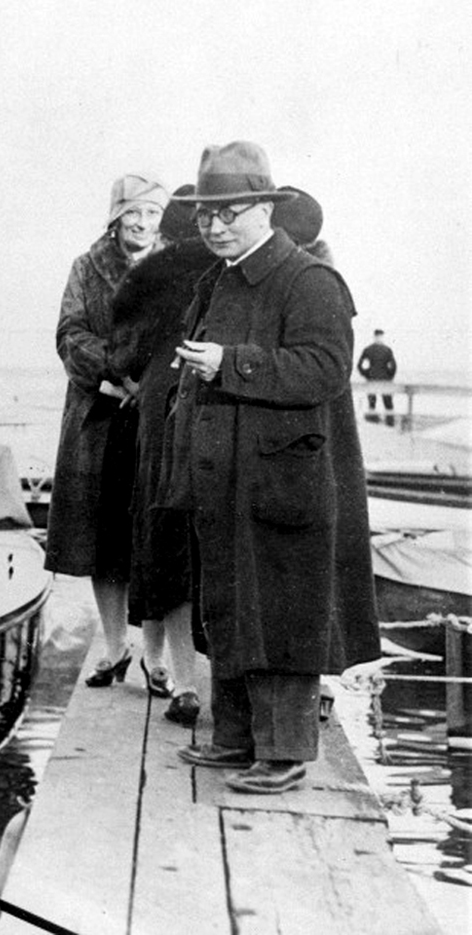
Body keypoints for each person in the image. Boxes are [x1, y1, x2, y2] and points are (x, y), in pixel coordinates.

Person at [165, 141, 379, 793]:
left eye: (229, 212)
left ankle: (282, 751)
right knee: (229, 603)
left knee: (283, 610)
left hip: (285, 478)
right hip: (226, 475)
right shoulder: (220, 277)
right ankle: (235, 738)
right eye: (205, 215)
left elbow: (323, 369)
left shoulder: (308, 280)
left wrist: (228, 363)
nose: (214, 225)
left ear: (266, 209)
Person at [44, 174, 170, 691]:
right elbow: (70, 333)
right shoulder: (86, 268)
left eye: (152, 214)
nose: (141, 224)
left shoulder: (176, 266)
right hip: (100, 417)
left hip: (159, 416)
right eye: (131, 214)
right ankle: (116, 646)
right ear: (115, 218)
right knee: (103, 538)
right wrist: (116, 376)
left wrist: (155, 383)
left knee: (159, 538)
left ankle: (156, 656)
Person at [106, 186, 209, 726]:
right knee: (197, 547)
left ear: (167, 230)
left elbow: (124, 348)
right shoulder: (227, 269)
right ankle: (192, 679)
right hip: (213, 413)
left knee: (156, 537)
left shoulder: (150, 275)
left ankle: (164, 668)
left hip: (159, 410)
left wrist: (135, 379)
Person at [357, 329, 398, 425]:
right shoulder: (387, 350)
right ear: (382, 336)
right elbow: (394, 366)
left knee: (372, 402)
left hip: (372, 378)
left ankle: (372, 420)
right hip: (385, 379)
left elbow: (359, 365)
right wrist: (389, 376)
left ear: (374, 336)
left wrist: (366, 374)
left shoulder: (368, 349)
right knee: (387, 402)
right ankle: (390, 421)